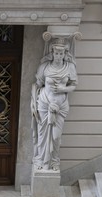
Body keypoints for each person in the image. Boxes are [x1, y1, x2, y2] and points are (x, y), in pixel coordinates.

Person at [31, 42, 77, 171]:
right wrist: (35, 100)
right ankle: (40, 159)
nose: (58, 56)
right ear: (52, 53)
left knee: (56, 136)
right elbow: (38, 84)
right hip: (44, 104)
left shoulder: (69, 67)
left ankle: (54, 161)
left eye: (61, 53)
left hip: (61, 106)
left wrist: (63, 88)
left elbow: (73, 85)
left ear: (64, 54)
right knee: (42, 134)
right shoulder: (44, 67)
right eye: (56, 53)